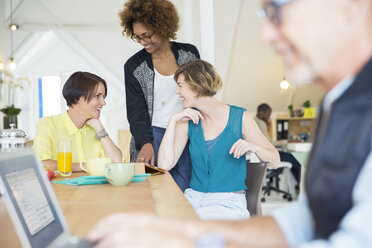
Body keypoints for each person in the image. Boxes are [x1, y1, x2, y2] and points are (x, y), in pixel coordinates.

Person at [88, 0, 372, 247]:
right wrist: (187, 233)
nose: (266, 35)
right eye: (265, 15)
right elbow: (306, 221)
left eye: (278, 9)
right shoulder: (338, 103)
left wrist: (196, 236)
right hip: (176, 164)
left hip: (222, 200)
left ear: (350, 5)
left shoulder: (237, 115)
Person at [157, 59, 279, 220]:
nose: (177, 92)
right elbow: (164, 165)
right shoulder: (186, 122)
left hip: (228, 203)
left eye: (180, 85)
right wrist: (173, 121)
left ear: (196, 86)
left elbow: (275, 161)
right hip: (193, 199)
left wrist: (254, 148)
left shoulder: (240, 118)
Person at [118, 0, 200, 192]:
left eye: (147, 35)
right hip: (151, 135)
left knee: (185, 192)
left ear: (163, 26)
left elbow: (200, 93)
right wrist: (145, 143)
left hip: (186, 132)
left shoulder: (190, 54)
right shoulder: (134, 66)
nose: (143, 42)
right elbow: (136, 112)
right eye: (137, 37)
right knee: (152, 194)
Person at [33, 71, 122, 171]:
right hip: (60, 187)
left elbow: (117, 162)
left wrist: (98, 127)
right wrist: (84, 166)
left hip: (94, 187)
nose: (103, 102)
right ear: (77, 99)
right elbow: (41, 164)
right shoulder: (47, 124)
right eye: (97, 96)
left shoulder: (96, 129)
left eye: (103, 96)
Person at [254, 103, 301, 184]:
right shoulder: (261, 123)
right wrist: (287, 141)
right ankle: (302, 185)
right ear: (261, 113)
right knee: (295, 161)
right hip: (265, 155)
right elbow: (269, 143)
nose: (269, 117)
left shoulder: (255, 120)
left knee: (292, 161)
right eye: (268, 115)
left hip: (259, 155)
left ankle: (299, 184)